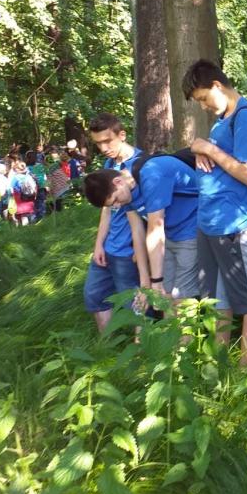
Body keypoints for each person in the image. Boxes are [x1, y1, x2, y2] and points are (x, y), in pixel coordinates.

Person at [182, 59, 247, 367]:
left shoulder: (245, 119)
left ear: (217, 86)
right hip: (210, 222)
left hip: (234, 223)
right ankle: (219, 361)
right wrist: (200, 149)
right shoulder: (222, 121)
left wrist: (209, 149)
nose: (203, 106)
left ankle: (246, 371)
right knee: (219, 296)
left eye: (204, 98)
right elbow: (217, 160)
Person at [83, 151, 200, 307]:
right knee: (165, 296)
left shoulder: (151, 175)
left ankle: (188, 323)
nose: (117, 205)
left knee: (181, 297)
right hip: (169, 236)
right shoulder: (127, 189)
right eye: (112, 205)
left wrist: (156, 280)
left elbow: (155, 229)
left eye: (115, 200)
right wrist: (145, 283)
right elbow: (137, 233)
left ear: (118, 182)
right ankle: (170, 322)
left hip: (191, 230)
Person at [83, 114, 148, 332]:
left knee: (136, 307)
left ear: (122, 135)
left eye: (107, 141)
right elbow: (106, 209)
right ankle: (107, 346)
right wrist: (98, 244)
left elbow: (148, 215)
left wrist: (141, 251)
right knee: (94, 296)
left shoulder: (141, 166)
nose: (103, 148)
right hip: (109, 246)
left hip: (128, 252)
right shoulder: (109, 165)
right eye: (98, 143)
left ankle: (143, 347)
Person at [10, 160, 36, 225]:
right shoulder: (29, 176)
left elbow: (11, 187)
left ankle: (26, 226)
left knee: (24, 214)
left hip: (20, 197)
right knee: (30, 211)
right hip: (30, 196)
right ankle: (34, 224)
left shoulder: (15, 178)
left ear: (16, 170)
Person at [26, 150, 48, 221]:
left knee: (34, 203)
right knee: (41, 202)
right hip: (41, 186)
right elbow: (44, 176)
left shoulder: (26, 168)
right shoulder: (40, 166)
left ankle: (36, 218)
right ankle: (42, 217)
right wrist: (47, 186)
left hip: (32, 188)